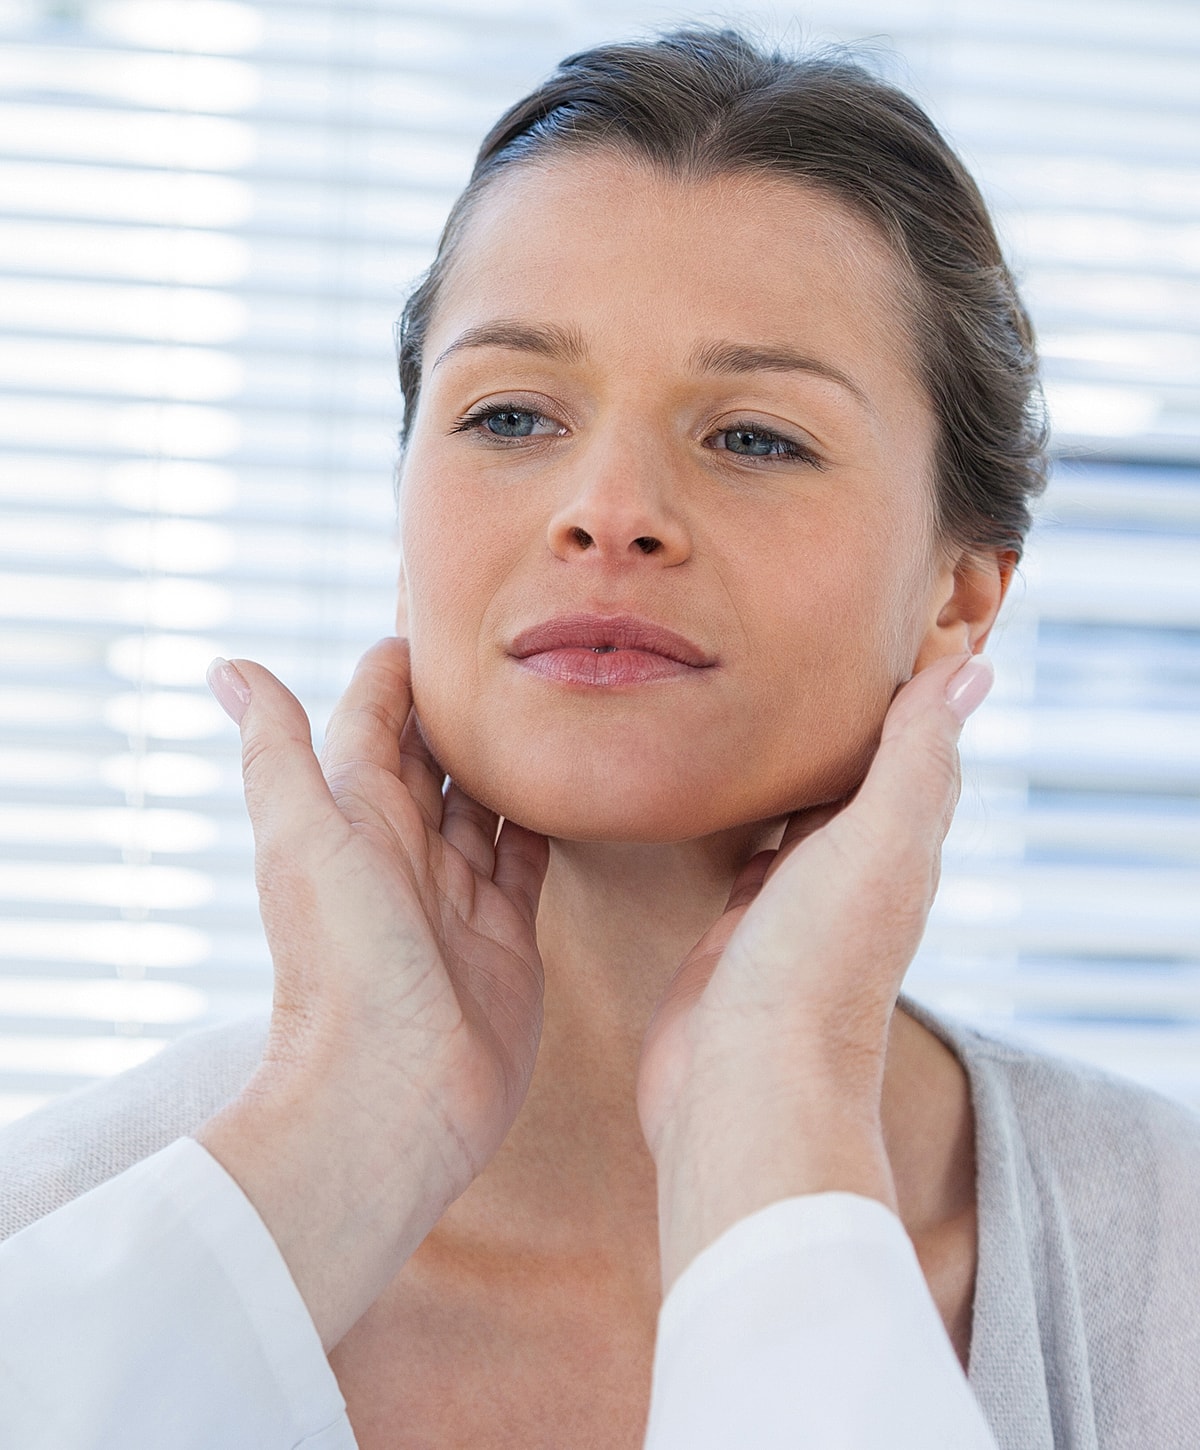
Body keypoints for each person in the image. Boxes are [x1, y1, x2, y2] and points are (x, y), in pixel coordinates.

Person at [2, 25, 1199, 1450]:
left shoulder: (1165, 1261)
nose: (608, 510)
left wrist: (778, 1120)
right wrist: (357, 1121)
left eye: (755, 437)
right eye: (510, 415)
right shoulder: (50, 1227)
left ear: (958, 601)